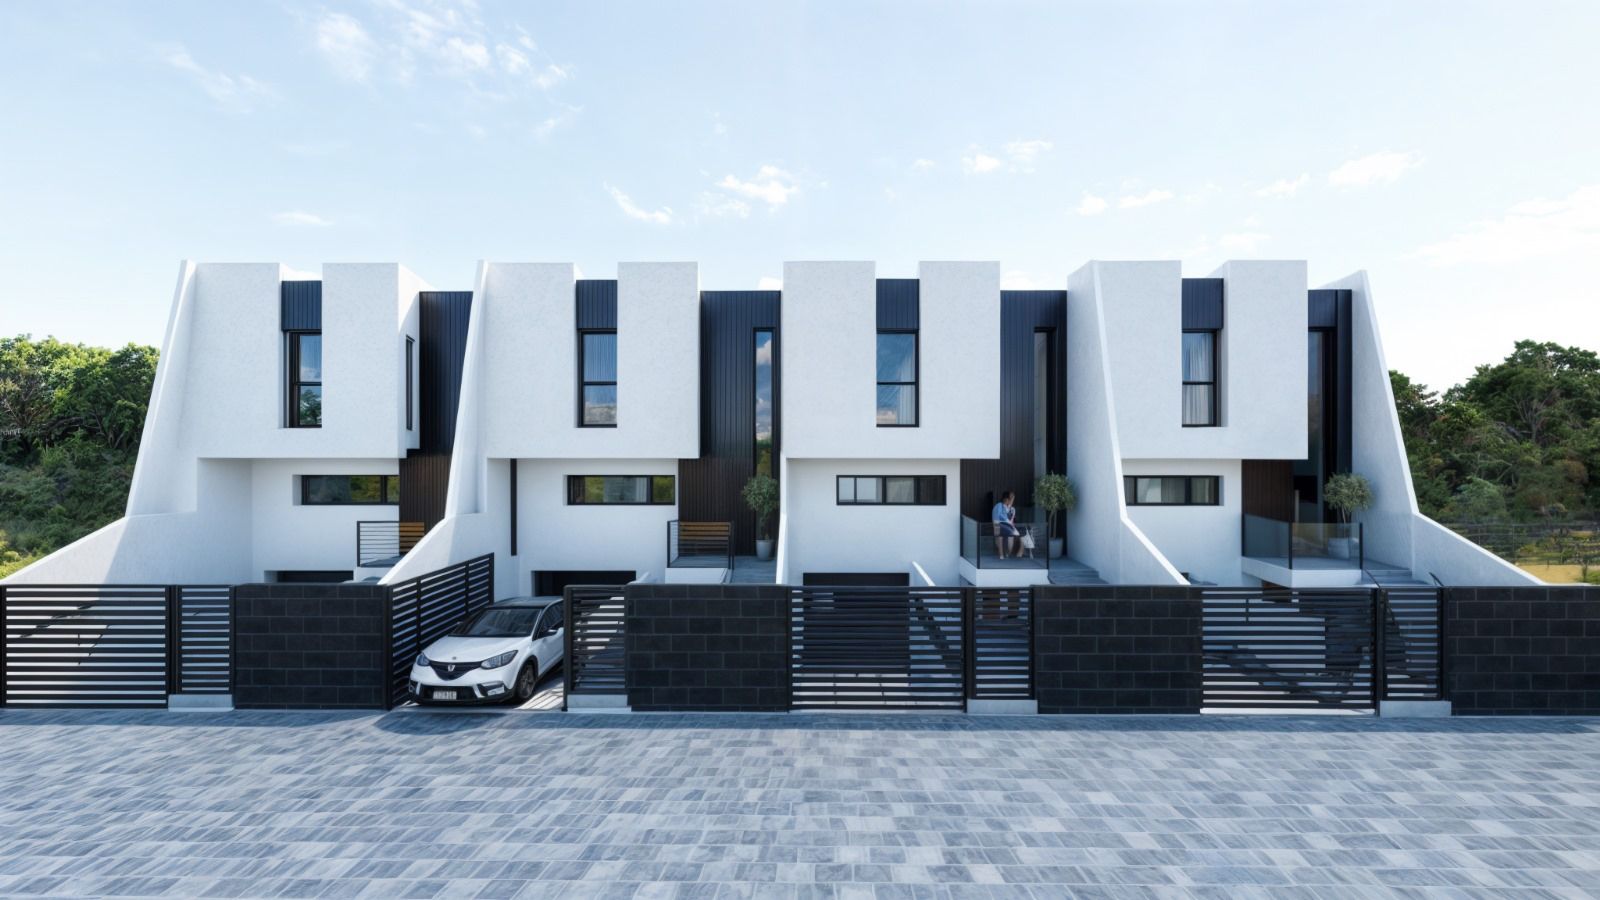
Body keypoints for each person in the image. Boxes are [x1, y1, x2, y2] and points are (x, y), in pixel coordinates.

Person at [991, 491, 1021, 559]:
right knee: (1000, 537)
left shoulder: (1012, 509)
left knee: (1010, 537)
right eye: (1010, 498)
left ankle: (1007, 553)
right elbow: (999, 516)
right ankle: (1001, 555)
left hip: (1006, 526)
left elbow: (1011, 519)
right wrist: (1008, 521)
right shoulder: (999, 505)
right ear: (1006, 499)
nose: (1011, 500)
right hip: (997, 524)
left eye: (1012, 498)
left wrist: (1010, 523)